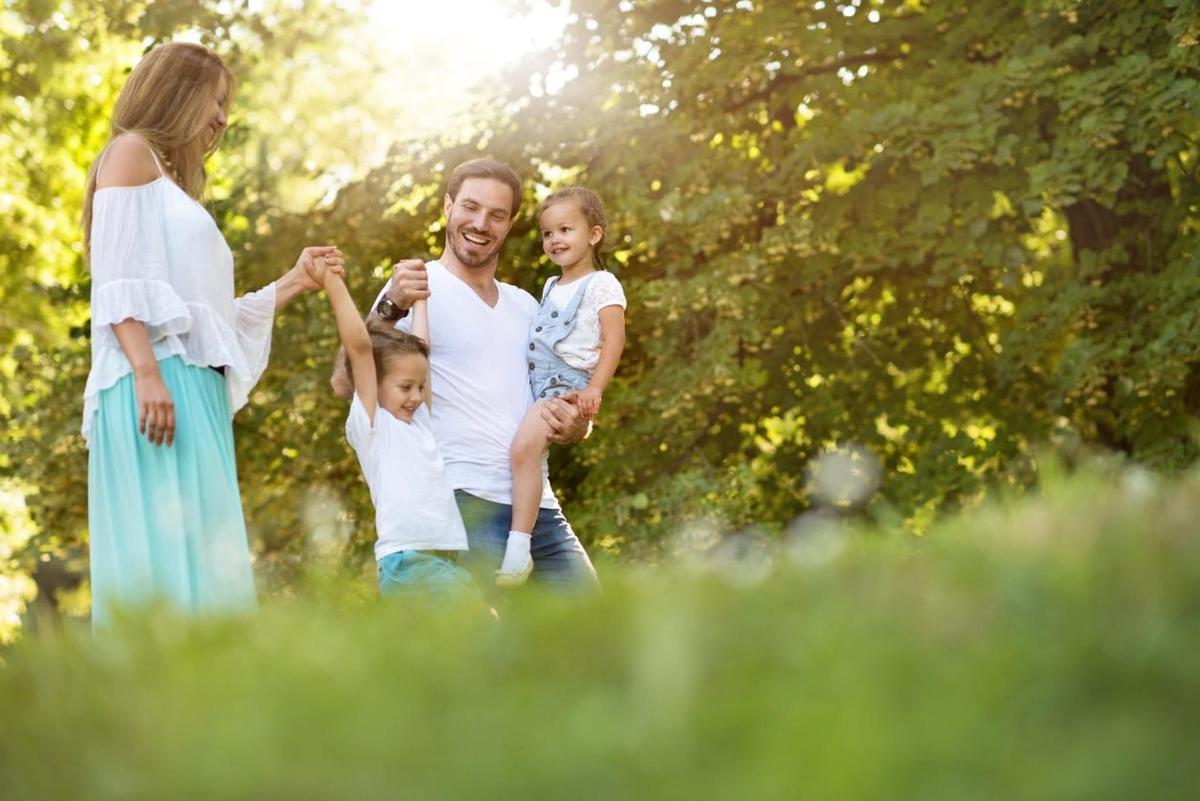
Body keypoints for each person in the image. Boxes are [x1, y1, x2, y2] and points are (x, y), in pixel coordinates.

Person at [82, 42, 341, 626]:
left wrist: (295, 282)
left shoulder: (174, 188)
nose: (222, 117)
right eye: (214, 100)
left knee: (206, 565)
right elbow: (117, 281)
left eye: (227, 104)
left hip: (191, 386)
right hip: (154, 380)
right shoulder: (130, 154)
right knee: (163, 569)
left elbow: (209, 318)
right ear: (176, 93)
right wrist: (148, 374)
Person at [331, 159, 599, 591]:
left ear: (509, 224)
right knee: (492, 651)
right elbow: (346, 382)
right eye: (470, 207)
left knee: (597, 635)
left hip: (537, 511)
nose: (480, 223)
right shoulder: (416, 289)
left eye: (496, 215)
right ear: (448, 206)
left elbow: (561, 403)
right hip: (462, 504)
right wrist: (392, 305)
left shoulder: (528, 307)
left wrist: (576, 425)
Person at [310, 255, 471, 596]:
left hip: (443, 558)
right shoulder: (373, 425)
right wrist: (333, 283)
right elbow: (359, 346)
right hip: (410, 561)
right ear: (376, 384)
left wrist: (422, 300)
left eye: (420, 387)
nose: (415, 396)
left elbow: (421, 351)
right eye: (405, 388)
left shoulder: (418, 422)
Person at [497, 188, 626, 584]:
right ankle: (522, 544)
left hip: (567, 388)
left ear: (594, 234)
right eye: (547, 233)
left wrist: (594, 390)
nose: (555, 240)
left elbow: (614, 340)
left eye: (566, 229)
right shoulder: (551, 285)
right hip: (542, 385)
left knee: (523, 451)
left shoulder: (602, 284)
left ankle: (519, 550)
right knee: (531, 457)